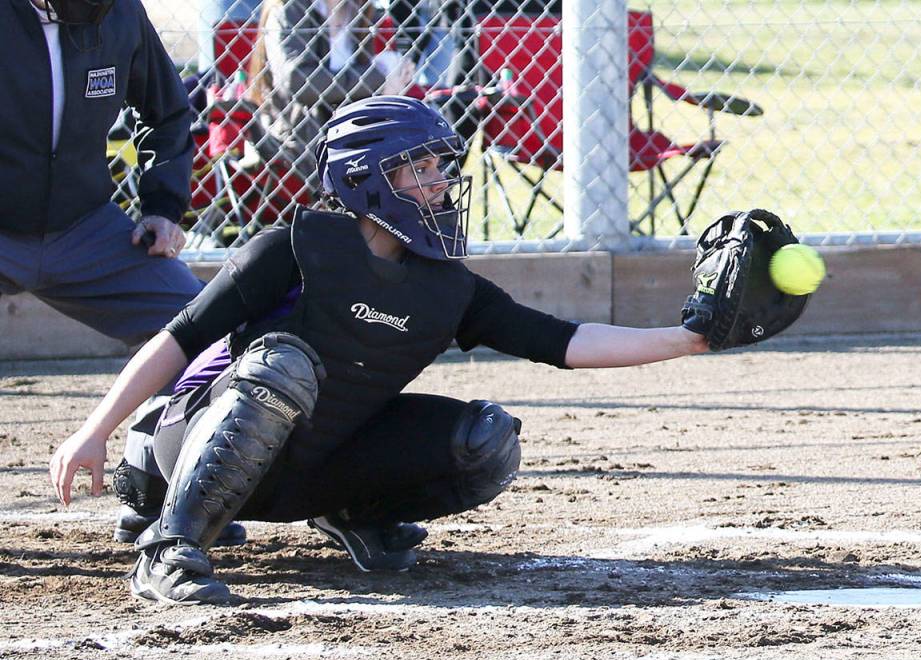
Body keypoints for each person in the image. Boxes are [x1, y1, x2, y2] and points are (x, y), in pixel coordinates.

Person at [49, 96, 710, 605]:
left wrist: (690, 338)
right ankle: (170, 550)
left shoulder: (446, 287)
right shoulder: (292, 248)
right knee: (285, 363)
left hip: (306, 470)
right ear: (367, 179)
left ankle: (353, 516)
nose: (441, 184)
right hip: (189, 442)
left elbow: (565, 340)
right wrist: (93, 431)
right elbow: (178, 340)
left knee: (484, 440)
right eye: (419, 169)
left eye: (440, 168)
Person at [0, 0, 251, 546]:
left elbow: (166, 111)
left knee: (217, 334)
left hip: (83, 226)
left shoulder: (118, 13)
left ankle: (171, 492)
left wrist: (163, 206)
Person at [246, 0, 415, 199]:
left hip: (346, 121)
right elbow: (299, 81)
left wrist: (394, 73)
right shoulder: (288, 8)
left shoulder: (358, 8)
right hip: (299, 127)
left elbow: (360, 79)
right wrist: (378, 78)